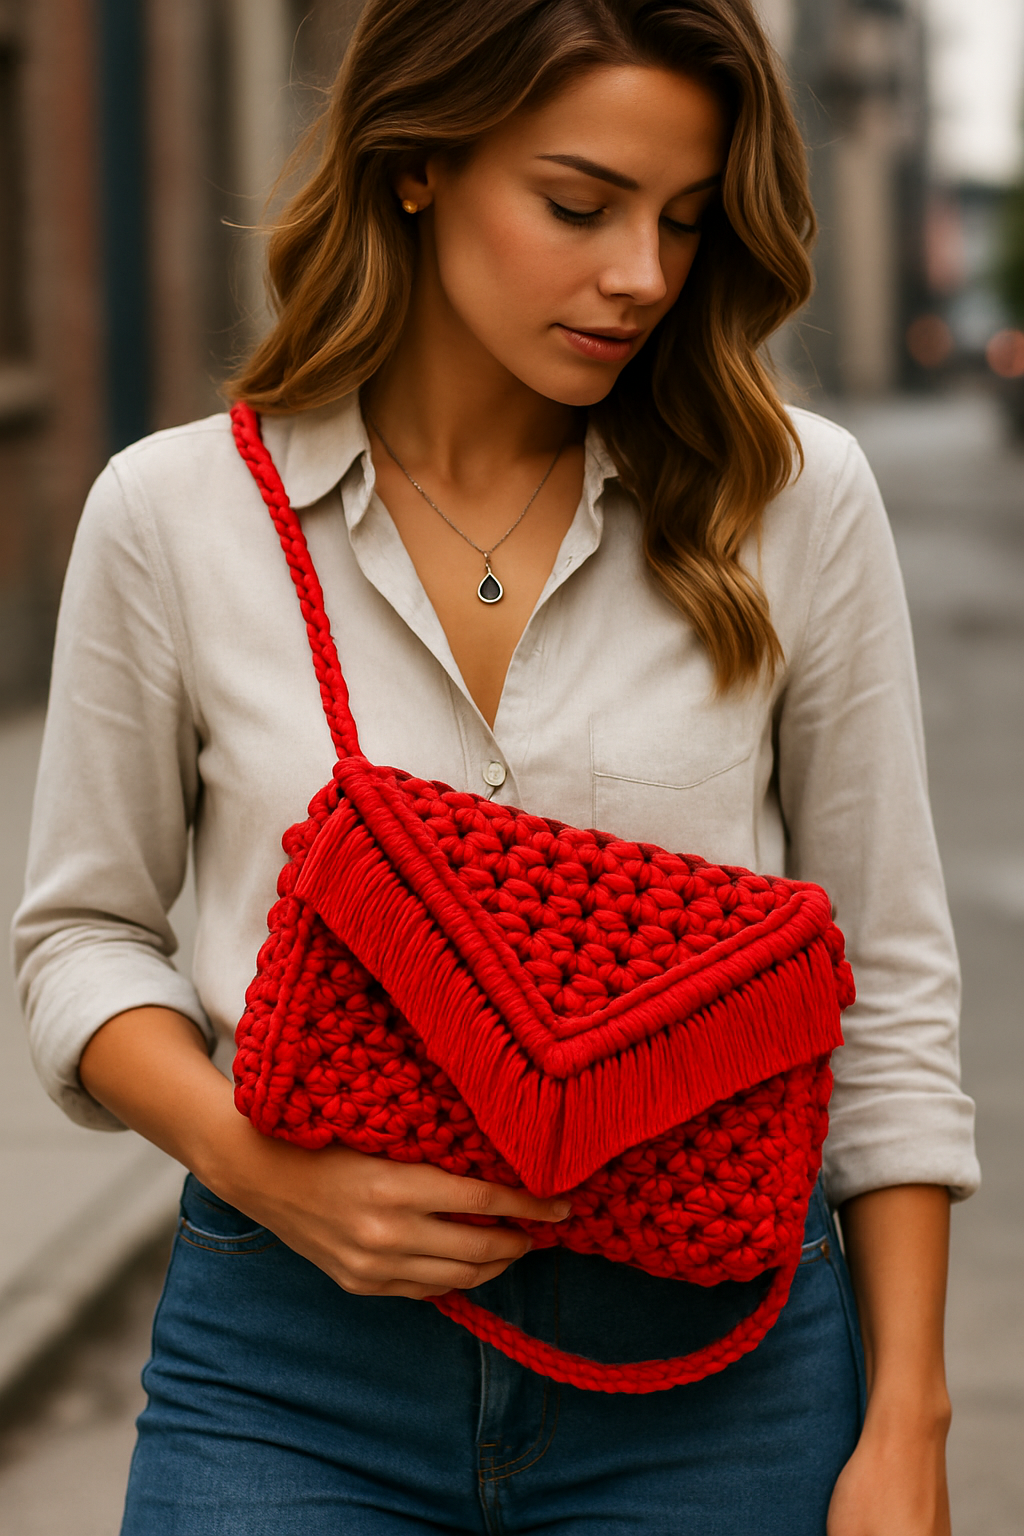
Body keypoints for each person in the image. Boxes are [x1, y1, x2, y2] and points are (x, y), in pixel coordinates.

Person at [13, 1, 979, 1531]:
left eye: (683, 220)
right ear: (416, 164)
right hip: (292, 1374)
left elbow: (892, 973)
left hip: (716, 1379)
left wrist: (908, 1419)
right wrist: (255, 1166)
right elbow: (79, 939)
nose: (642, 277)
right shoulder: (178, 515)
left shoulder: (791, 499)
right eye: (579, 205)